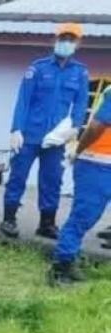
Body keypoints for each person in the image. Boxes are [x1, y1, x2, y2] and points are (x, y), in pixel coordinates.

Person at [0, 23, 90, 240]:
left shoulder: (80, 73)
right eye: (63, 37)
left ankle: (47, 223)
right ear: (55, 39)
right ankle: (9, 218)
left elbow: (81, 104)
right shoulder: (38, 68)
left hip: (56, 138)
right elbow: (23, 101)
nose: (66, 42)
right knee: (18, 176)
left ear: (78, 43)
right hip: (29, 133)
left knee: (52, 180)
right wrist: (16, 129)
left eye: (71, 38)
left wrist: (75, 129)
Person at [49, 85, 111, 285]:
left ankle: (68, 260)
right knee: (84, 216)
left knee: (86, 216)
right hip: (97, 163)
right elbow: (95, 127)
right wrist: (78, 150)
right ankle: (61, 266)